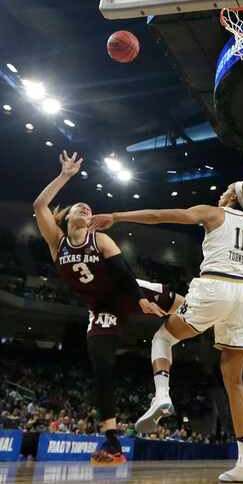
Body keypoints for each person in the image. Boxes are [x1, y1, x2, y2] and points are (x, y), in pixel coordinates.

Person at [91, 179, 243, 482]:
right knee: (235, 382)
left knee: (164, 336)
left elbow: (159, 216)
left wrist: (117, 217)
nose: (221, 192)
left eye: (226, 189)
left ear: (233, 196)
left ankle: (161, 394)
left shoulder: (214, 213)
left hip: (214, 286)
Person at [33, 151, 182, 465]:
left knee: (184, 305)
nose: (86, 209)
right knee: (102, 368)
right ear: (68, 217)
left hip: (126, 292)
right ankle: (112, 442)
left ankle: (240, 306)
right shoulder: (55, 241)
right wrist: (64, 177)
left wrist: (141, 298)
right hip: (101, 308)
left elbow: (123, 271)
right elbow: (39, 206)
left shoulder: (99, 239)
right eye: (79, 207)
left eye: (88, 209)